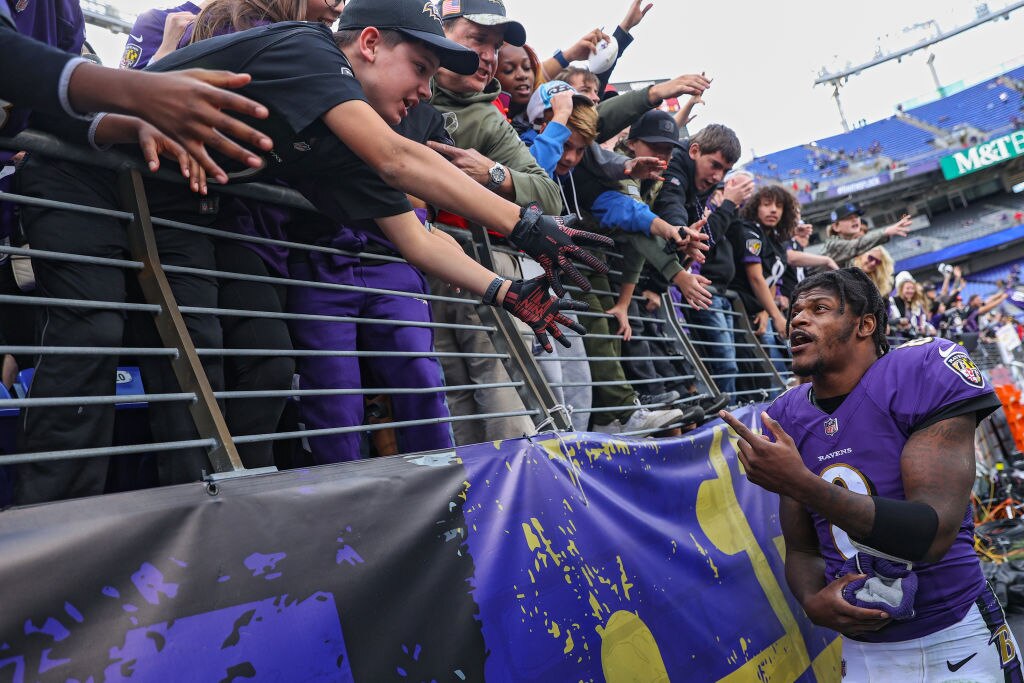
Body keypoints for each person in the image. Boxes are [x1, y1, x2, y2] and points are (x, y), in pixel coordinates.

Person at [13, 2, 606, 502]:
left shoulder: (344, 141)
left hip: (172, 205)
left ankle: (211, 509)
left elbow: (413, 237)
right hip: (79, 175)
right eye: (419, 69)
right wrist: (524, 224)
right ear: (369, 43)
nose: (425, 92)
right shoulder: (306, 49)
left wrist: (505, 292)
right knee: (90, 338)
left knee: (252, 359)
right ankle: (54, 525)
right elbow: (401, 159)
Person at [720, 268, 1021, 680]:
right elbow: (804, 550)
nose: (798, 320)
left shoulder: (919, 371)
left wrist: (801, 482)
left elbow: (930, 534)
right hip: (864, 651)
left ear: (866, 324)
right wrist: (811, 600)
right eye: (795, 312)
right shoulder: (785, 415)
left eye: (819, 308)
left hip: (954, 634)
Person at [821, 202, 912, 270]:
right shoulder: (832, 244)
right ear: (836, 227)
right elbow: (857, 245)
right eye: (848, 218)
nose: (855, 220)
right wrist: (886, 232)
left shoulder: (847, 244)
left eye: (857, 217)